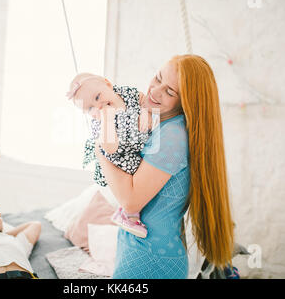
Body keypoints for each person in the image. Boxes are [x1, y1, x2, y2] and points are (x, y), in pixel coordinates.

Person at [94, 54, 235, 279]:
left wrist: (100, 149)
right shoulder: (167, 125)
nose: (155, 90)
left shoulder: (172, 137)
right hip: (145, 251)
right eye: (158, 77)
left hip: (149, 260)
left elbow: (130, 200)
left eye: (170, 91)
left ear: (186, 102)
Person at [67, 73, 155, 238]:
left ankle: (129, 210)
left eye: (98, 96)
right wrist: (107, 119)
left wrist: (145, 112)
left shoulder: (126, 93)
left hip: (137, 144)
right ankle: (128, 215)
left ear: (108, 84)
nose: (98, 106)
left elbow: (143, 98)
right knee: (135, 174)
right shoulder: (99, 122)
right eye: (90, 108)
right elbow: (110, 149)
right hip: (120, 156)